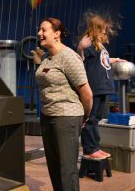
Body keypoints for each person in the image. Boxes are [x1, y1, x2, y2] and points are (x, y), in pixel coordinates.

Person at [34, 17, 93, 191]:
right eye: (39, 30)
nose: (39, 33)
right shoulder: (47, 57)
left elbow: (87, 94)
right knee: (54, 167)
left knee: (67, 170)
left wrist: (84, 116)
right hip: (47, 116)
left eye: (44, 30)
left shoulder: (69, 57)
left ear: (57, 34)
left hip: (67, 117)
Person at [76, 13, 125, 159]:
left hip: (104, 87)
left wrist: (113, 59)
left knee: (96, 119)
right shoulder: (89, 44)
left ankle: (95, 146)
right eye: (102, 29)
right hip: (95, 88)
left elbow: (101, 60)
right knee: (90, 120)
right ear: (95, 29)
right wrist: (80, 48)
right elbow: (78, 59)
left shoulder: (100, 46)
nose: (105, 32)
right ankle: (89, 149)